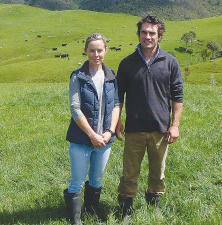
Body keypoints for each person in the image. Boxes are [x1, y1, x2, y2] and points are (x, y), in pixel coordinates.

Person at [115, 15, 183, 219]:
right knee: (130, 172)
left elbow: (177, 95)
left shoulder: (170, 62)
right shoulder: (127, 63)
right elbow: (118, 96)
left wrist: (175, 125)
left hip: (160, 128)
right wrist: (117, 121)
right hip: (133, 128)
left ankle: (154, 208)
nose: (147, 36)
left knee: (157, 172)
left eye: (152, 33)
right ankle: (125, 211)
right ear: (138, 35)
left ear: (159, 36)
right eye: (144, 32)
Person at [63, 33, 120, 224]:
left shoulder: (111, 76)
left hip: (105, 139)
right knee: (77, 181)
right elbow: (75, 108)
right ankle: (76, 220)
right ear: (86, 51)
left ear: (105, 51)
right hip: (82, 139)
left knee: (96, 180)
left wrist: (109, 132)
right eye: (92, 50)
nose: (96, 54)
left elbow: (117, 105)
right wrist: (92, 135)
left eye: (100, 50)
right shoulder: (78, 76)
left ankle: (91, 213)